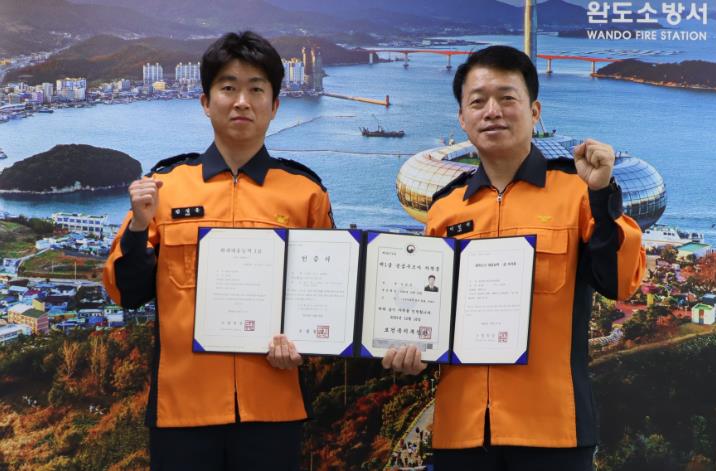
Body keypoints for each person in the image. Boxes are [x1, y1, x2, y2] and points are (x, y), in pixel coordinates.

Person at [382, 45, 645, 471]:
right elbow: (429, 318)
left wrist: (601, 195)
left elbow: (621, 282)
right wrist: (410, 354)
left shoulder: (577, 191)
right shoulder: (445, 209)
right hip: (461, 432)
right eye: (477, 101)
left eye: (507, 98)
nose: (493, 112)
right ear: (462, 118)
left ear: (534, 111)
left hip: (554, 430)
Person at [103, 31, 334, 471]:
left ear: (275, 105)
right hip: (182, 410)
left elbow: (325, 300)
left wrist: (305, 345)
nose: (242, 101)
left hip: (274, 407)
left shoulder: (306, 193)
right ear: (206, 102)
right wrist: (138, 225)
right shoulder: (164, 187)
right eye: (228, 88)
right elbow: (126, 292)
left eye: (256, 89)